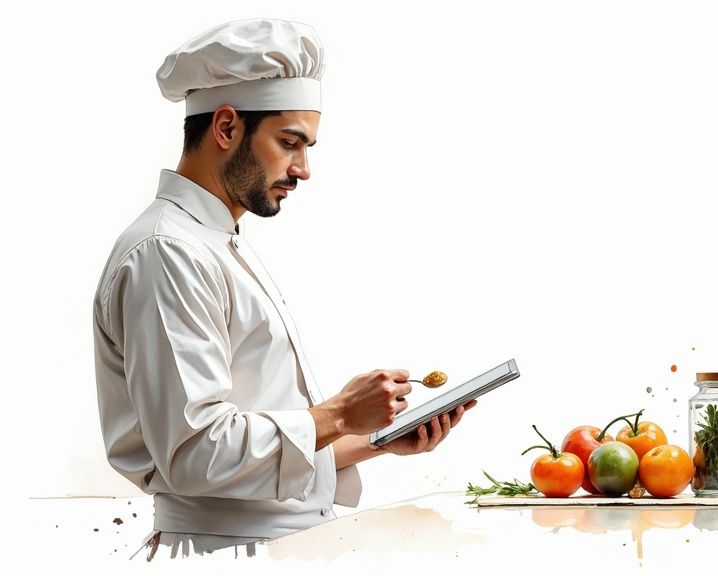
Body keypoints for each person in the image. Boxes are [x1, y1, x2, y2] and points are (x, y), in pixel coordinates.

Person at [92, 18, 474, 558]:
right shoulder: (168, 252)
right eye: (290, 142)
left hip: (266, 547)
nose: (303, 169)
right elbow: (196, 454)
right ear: (226, 128)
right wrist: (339, 413)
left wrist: (374, 438)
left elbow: (255, 450)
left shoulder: (212, 241)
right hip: (222, 555)